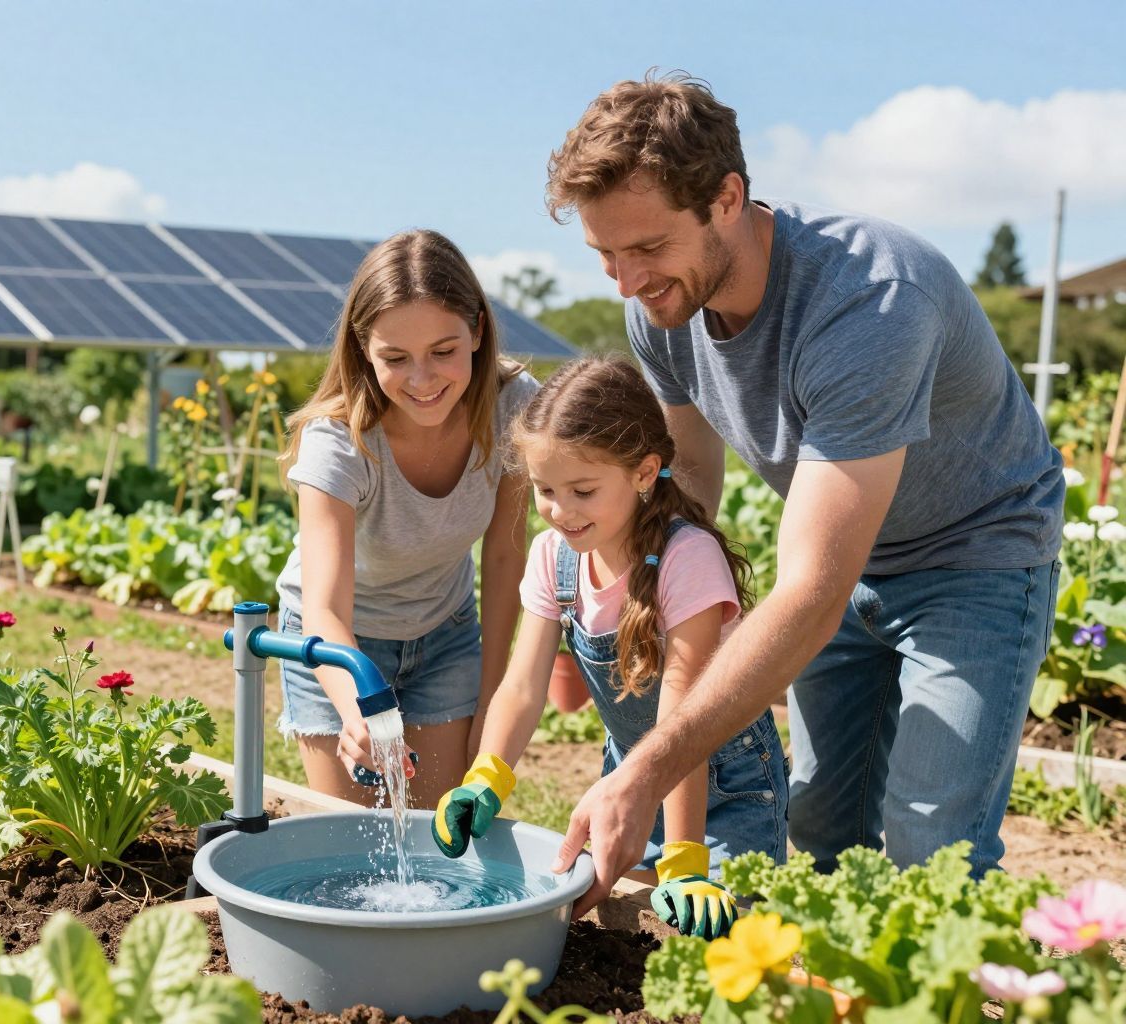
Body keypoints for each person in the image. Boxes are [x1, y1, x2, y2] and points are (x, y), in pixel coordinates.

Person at [538, 73, 1063, 916]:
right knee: (823, 828)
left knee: (931, 840)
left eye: (645, 249)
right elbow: (689, 484)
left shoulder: (871, 303)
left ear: (726, 198)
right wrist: (652, 603)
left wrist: (647, 769)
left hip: (977, 551)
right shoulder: (661, 312)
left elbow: (814, 589)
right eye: (606, 255)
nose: (626, 282)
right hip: (849, 551)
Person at [431, 356, 785, 938]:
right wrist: (485, 777)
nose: (560, 512)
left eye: (583, 490)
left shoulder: (686, 557)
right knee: (632, 939)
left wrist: (686, 859)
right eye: (545, 490)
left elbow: (684, 712)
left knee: (723, 945)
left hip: (724, 785)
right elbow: (522, 687)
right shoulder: (554, 557)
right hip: (631, 773)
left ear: (644, 473)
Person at [275, 228, 539, 807]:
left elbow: (503, 556)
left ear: (476, 330)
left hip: (444, 637)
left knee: (436, 838)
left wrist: (492, 702)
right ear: (363, 350)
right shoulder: (338, 442)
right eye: (396, 358)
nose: (423, 381)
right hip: (336, 647)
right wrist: (358, 708)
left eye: (444, 351)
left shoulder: (513, 406)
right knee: (350, 844)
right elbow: (324, 607)